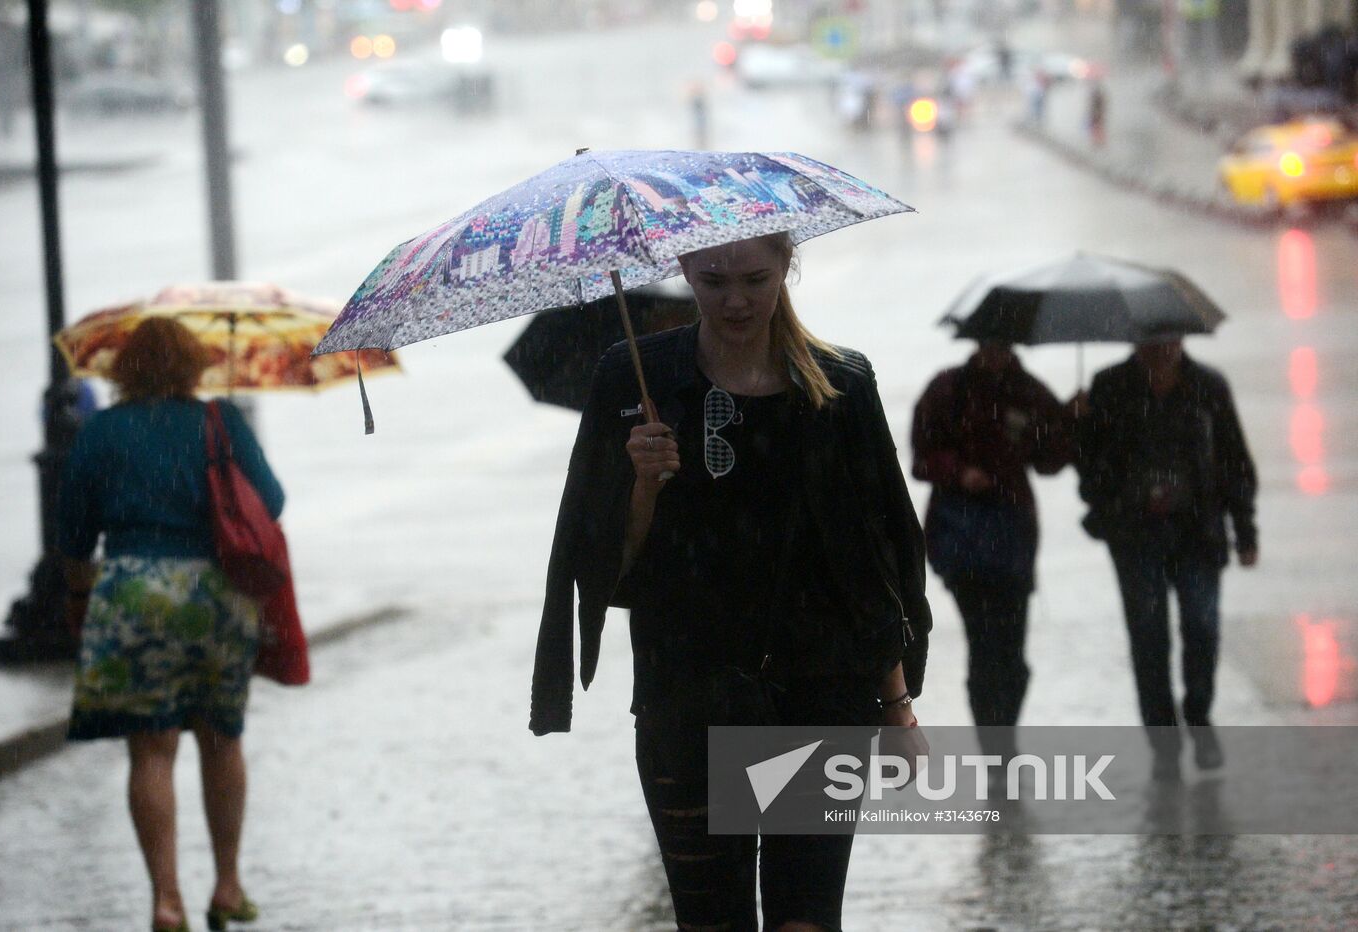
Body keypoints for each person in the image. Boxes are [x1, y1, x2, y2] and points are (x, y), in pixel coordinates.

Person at [530, 232, 933, 932]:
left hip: (821, 692)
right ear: (684, 270)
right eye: (714, 280)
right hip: (688, 697)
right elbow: (600, 567)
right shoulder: (634, 379)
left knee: (804, 919)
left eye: (755, 277)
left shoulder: (841, 385)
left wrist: (896, 704)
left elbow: (875, 557)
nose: (736, 300)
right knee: (712, 921)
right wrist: (643, 487)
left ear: (787, 267)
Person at [59, 317, 282, 932]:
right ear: (193, 364)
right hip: (215, 593)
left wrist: (81, 599)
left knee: (151, 750)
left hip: (132, 590)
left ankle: (165, 899)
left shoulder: (103, 430)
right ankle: (229, 885)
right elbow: (273, 501)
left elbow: (72, 533)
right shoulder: (220, 421)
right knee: (221, 737)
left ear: (124, 368)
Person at [1076, 337, 1258, 779]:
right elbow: (1088, 465)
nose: (1160, 348)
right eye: (1151, 340)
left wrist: (1244, 528)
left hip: (1198, 533)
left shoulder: (1208, 386)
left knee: (1201, 625)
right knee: (1148, 635)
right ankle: (1163, 740)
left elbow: (1233, 460)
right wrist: (1077, 426)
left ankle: (1198, 712)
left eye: (1168, 339)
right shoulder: (1110, 387)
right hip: (1135, 536)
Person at [911, 341, 1077, 770]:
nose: (996, 351)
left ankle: (1003, 735)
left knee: (1013, 654)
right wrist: (959, 472)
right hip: (960, 537)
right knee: (985, 645)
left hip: (1013, 534)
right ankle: (995, 749)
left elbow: (1051, 461)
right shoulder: (947, 389)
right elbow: (921, 458)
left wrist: (1069, 422)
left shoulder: (1031, 393)